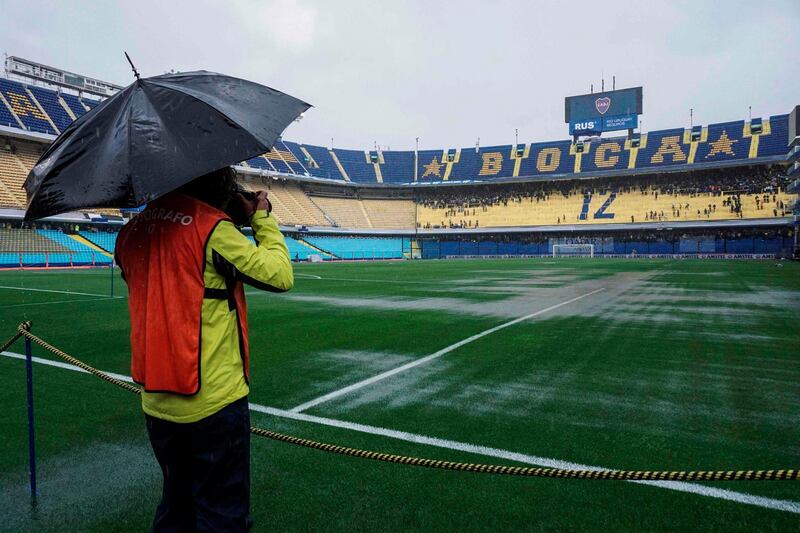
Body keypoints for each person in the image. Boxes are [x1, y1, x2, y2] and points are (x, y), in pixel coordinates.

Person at [115, 166, 293, 532]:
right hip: (212, 402)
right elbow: (279, 274)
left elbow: (171, 263)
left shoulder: (133, 230)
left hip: (157, 400)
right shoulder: (212, 229)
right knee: (221, 514)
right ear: (217, 185)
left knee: (176, 506)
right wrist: (260, 219)